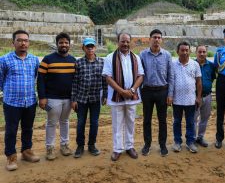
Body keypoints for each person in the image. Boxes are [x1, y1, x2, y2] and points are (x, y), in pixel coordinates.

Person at [0, 30, 40, 171]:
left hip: (29, 101)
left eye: (26, 40)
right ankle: (11, 156)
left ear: (28, 43)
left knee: (28, 128)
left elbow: (36, 77)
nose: (23, 43)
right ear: (13, 43)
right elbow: (1, 79)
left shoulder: (34, 60)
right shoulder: (4, 60)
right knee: (11, 130)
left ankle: (26, 151)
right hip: (12, 102)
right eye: (19, 40)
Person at [102, 32, 144, 161]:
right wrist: (121, 91)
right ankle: (117, 149)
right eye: (122, 41)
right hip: (116, 96)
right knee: (117, 123)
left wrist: (132, 90)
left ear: (130, 42)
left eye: (127, 41)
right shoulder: (110, 57)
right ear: (118, 42)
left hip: (132, 95)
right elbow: (108, 77)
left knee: (130, 122)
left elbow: (140, 75)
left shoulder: (136, 57)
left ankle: (129, 146)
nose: (125, 44)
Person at [37, 32, 76, 160]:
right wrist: (42, 97)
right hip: (52, 99)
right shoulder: (47, 59)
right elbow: (40, 79)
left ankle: (64, 145)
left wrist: (74, 98)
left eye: (66, 42)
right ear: (57, 44)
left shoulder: (73, 61)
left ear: (69, 45)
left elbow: (76, 81)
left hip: (68, 98)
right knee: (51, 123)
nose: (63, 45)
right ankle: (50, 148)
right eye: (61, 43)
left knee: (65, 121)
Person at [139, 29, 174, 157]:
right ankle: (147, 144)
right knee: (146, 119)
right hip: (147, 91)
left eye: (159, 37)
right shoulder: (142, 55)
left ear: (162, 40)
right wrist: (139, 92)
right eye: (154, 37)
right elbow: (139, 75)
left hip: (162, 91)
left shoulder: (167, 55)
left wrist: (170, 94)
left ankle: (162, 145)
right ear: (150, 39)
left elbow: (171, 76)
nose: (156, 39)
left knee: (162, 120)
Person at [71, 38, 108, 158]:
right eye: (88, 46)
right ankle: (80, 146)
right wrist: (73, 99)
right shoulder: (79, 63)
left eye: (92, 46)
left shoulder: (102, 62)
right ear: (83, 48)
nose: (90, 48)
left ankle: (92, 145)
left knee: (94, 123)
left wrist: (105, 96)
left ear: (95, 48)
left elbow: (105, 81)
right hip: (81, 99)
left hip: (95, 99)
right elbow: (75, 82)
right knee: (81, 123)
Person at [172, 41, 202, 153]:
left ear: (189, 51)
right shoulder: (173, 64)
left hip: (191, 100)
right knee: (177, 122)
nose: (184, 52)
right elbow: (170, 81)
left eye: (186, 50)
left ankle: (190, 142)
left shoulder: (195, 64)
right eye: (182, 50)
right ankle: (177, 142)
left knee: (190, 122)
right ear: (177, 51)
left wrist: (198, 97)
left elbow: (199, 82)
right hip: (176, 100)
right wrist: (170, 96)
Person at [194, 45, 216, 147]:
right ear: (196, 53)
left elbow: (212, 78)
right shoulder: (192, 64)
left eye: (204, 52)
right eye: (200, 52)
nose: (202, 54)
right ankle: (192, 138)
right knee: (193, 118)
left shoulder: (211, 65)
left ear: (206, 53)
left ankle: (200, 137)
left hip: (207, 96)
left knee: (204, 118)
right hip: (194, 97)